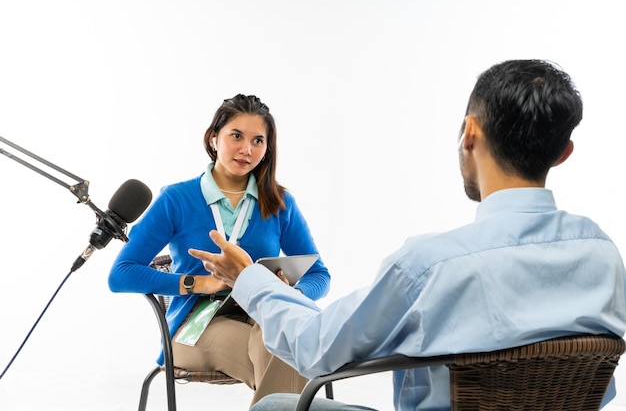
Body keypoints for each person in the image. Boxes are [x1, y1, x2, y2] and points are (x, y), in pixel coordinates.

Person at [188, 60, 626, 411]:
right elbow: (600, 389)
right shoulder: (602, 255)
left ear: (469, 133)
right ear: (564, 152)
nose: (247, 149)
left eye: (257, 140)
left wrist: (249, 279)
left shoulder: (430, 265)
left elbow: (314, 346)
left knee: (277, 407)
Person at [108, 94, 330, 407]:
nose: (247, 149)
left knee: (282, 329)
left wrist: (294, 292)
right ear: (214, 139)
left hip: (264, 312)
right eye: (236, 136)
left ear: (268, 149)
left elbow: (320, 275)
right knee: (284, 340)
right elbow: (121, 274)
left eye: (258, 140)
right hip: (197, 325)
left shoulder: (280, 204)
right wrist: (196, 283)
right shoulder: (176, 199)